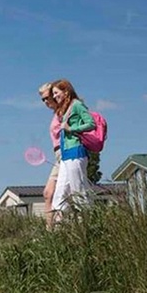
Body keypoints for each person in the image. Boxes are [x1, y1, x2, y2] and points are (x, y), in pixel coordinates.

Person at [51, 79, 95, 220]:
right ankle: (62, 229)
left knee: (79, 192)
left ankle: (87, 226)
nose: (55, 96)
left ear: (66, 91)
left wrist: (72, 128)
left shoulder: (77, 105)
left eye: (56, 93)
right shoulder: (65, 109)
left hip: (76, 152)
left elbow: (91, 123)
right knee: (59, 195)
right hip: (65, 156)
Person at [39, 82, 63, 229]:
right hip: (58, 156)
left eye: (48, 97)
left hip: (67, 154)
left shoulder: (63, 111)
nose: (46, 101)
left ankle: (56, 229)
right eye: (43, 99)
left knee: (54, 193)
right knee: (48, 193)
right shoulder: (56, 114)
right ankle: (50, 231)